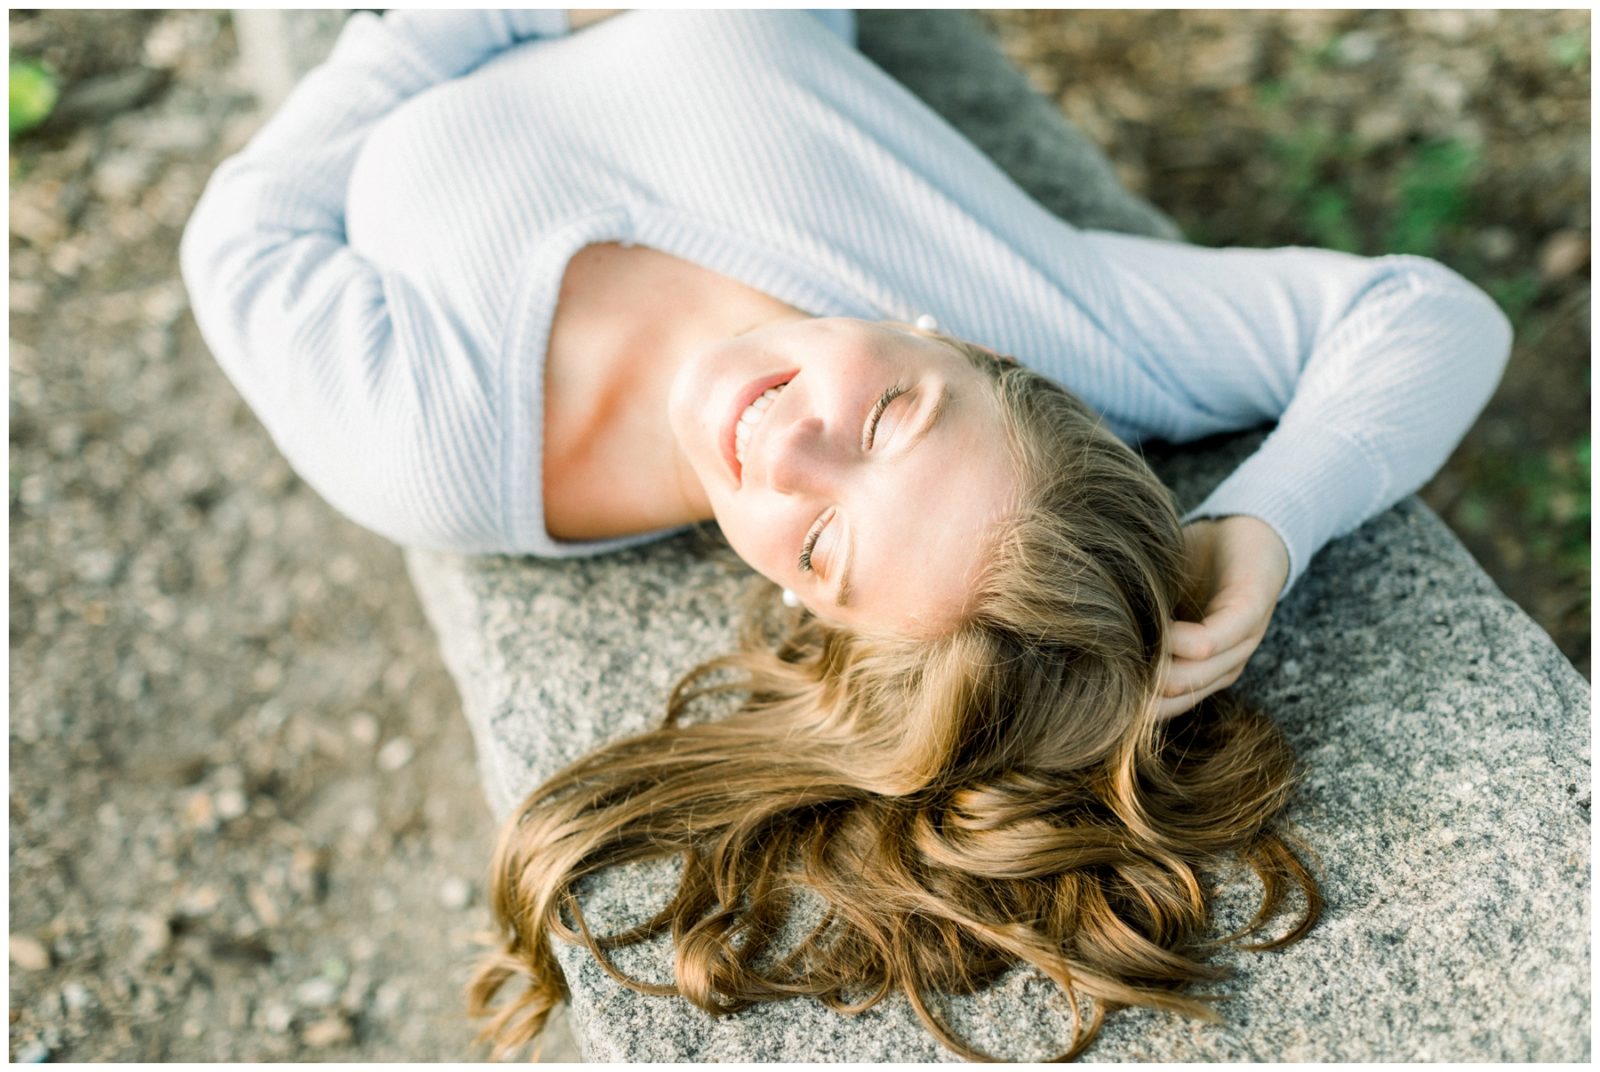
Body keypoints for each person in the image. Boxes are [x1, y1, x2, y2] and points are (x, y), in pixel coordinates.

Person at [180, 8, 1512, 1060]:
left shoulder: (440, 443)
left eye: (821, 549)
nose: (788, 452)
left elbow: (244, 236)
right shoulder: (1050, 320)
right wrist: (1271, 524)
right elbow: (1426, 313)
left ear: (809, 610)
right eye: (888, 421)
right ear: (967, 346)